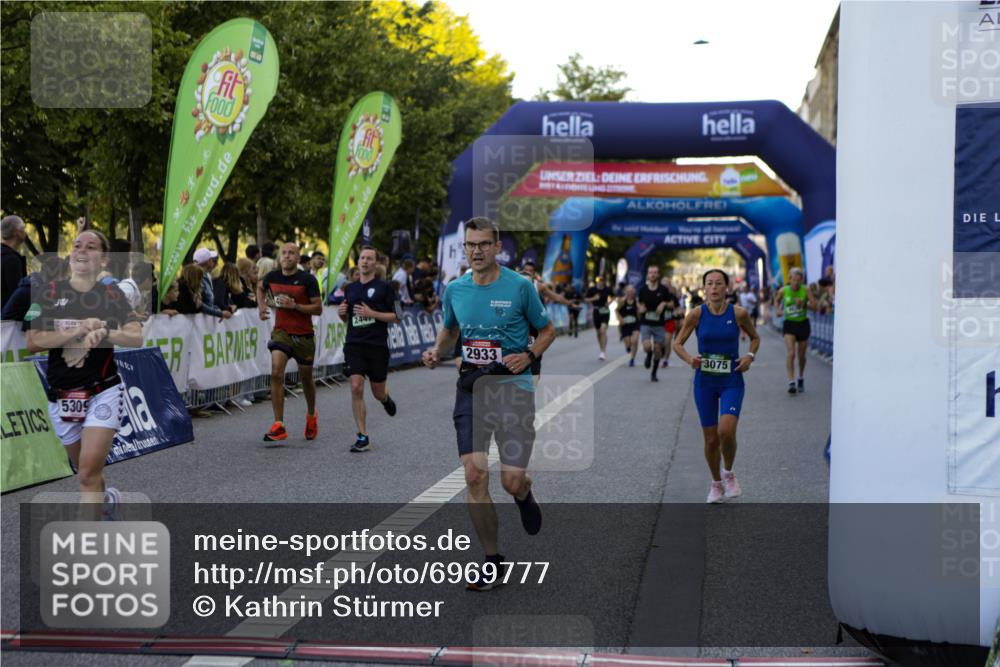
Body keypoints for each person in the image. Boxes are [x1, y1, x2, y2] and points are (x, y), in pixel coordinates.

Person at [422, 217, 555, 591]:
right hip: (471, 389)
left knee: (511, 480)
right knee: (474, 475)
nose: (476, 251)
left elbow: (547, 331)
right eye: (470, 245)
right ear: (464, 248)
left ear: (497, 247)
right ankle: (492, 561)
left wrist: (528, 356)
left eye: (483, 244)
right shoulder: (456, 289)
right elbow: (450, 330)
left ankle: (524, 492)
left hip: (513, 389)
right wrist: (437, 350)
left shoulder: (520, 287)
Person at [24, 230, 142, 519]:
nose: (82, 250)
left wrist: (105, 331)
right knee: (87, 473)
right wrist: (77, 328)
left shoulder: (112, 294)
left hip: (103, 390)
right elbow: (32, 342)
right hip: (61, 395)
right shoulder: (48, 293)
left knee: (87, 474)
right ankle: (106, 501)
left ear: (103, 259)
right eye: (77, 245)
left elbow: (135, 336)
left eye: (91, 247)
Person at [672, 269, 760, 503]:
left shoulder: (739, 313)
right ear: (704, 288)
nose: (714, 287)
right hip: (705, 382)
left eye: (718, 283)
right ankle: (716, 483)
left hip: (731, 380)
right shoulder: (696, 315)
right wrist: (691, 359)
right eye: (709, 283)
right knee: (710, 439)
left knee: (726, 431)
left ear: (726, 288)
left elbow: (755, 337)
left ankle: (729, 473)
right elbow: (677, 344)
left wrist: (749, 356)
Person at [257, 243, 323, 442]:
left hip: (303, 335)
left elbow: (318, 309)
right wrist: (261, 306)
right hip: (281, 332)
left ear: (298, 257)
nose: (287, 256)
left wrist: (295, 306)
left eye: (291, 253)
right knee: (276, 372)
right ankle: (279, 424)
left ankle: (311, 415)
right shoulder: (272, 276)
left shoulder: (307, 279)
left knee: (306, 379)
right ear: (279, 256)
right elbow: (260, 288)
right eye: (284, 253)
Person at [338, 245, 400, 452]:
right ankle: (363, 435)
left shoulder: (386, 287)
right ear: (358, 262)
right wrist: (341, 312)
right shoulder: (351, 288)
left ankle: (385, 399)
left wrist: (372, 313)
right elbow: (347, 316)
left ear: (376, 263)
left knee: (377, 391)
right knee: (356, 386)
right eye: (362, 258)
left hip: (377, 346)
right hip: (354, 344)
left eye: (369, 259)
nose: (365, 261)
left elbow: (397, 316)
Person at [519, 260, 572, 379]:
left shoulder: (538, 286)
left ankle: (532, 386)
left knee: (534, 360)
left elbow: (555, 297)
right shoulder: (513, 284)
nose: (528, 272)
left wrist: (570, 304)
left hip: (534, 329)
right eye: (526, 270)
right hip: (518, 328)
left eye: (530, 271)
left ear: (534, 274)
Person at [776, 267, 816, 394]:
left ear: (802, 280)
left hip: (803, 324)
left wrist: (804, 304)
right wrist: (777, 309)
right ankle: (791, 382)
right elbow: (776, 300)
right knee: (791, 353)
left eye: (799, 280)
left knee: (801, 355)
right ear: (790, 279)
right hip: (789, 324)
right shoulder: (783, 290)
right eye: (794, 280)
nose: (796, 283)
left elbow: (815, 306)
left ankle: (801, 377)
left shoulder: (806, 290)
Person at [2, 252, 66, 321]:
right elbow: (34, 320)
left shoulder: (34, 284)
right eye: (64, 276)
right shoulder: (35, 290)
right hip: (10, 328)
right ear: (56, 275)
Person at [637, 265, 672, 382]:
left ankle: (654, 373)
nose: (652, 274)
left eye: (655, 272)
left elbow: (671, 303)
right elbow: (639, 303)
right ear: (647, 274)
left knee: (658, 349)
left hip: (659, 324)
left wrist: (664, 304)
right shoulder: (642, 290)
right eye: (650, 272)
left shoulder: (663, 290)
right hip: (646, 322)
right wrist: (640, 308)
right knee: (647, 346)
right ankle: (648, 355)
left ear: (658, 275)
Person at [193, 247, 231, 319]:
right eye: (212, 260)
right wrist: (219, 313)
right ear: (209, 261)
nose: (215, 262)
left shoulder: (206, 276)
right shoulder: (197, 278)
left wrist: (217, 309)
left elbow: (209, 303)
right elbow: (200, 304)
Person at [1, 215, 28, 309]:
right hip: (7, 318)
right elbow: (17, 293)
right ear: (17, 232)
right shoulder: (12, 259)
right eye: (23, 229)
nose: (25, 232)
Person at [585, 276, 613, 360]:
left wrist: (609, 302)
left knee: (603, 330)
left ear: (604, 281)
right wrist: (594, 298)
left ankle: (603, 351)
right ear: (596, 281)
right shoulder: (592, 289)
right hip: (596, 311)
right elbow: (585, 299)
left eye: (602, 280)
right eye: (598, 280)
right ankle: (601, 348)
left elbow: (613, 296)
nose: (600, 282)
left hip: (605, 311)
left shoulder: (607, 289)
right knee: (598, 332)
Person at [659, 276, 681, 369]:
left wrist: (678, 311)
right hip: (657, 322)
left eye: (667, 283)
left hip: (669, 320)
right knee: (660, 343)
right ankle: (662, 352)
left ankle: (666, 360)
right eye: (664, 283)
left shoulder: (672, 296)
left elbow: (678, 307)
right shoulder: (656, 294)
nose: (666, 285)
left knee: (667, 341)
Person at [616, 284, 640, 366]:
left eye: (631, 291)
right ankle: (628, 347)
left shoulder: (636, 301)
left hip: (635, 323)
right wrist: (620, 318)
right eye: (628, 291)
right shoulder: (622, 301)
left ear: (634, 292)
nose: (630, 293)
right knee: (628, 343)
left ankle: (632, 359)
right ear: (626, 292)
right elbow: (616, 310)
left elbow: (639, 312)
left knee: (634, 340)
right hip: (625, 324)